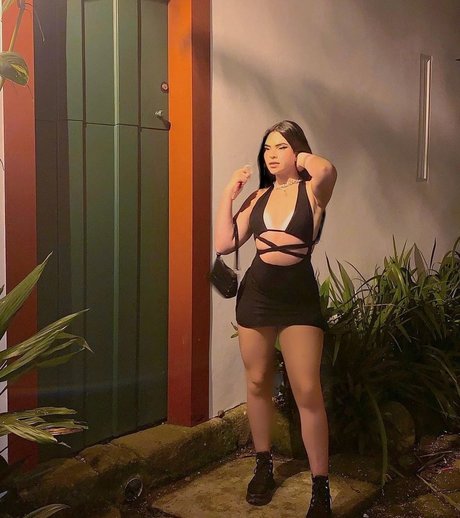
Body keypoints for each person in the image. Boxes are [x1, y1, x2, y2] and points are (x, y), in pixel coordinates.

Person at [214, 120, 337, 517]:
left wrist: (299, 159)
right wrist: (228, 195)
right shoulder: (258, 197)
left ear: (298, 150)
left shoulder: (313, 191)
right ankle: (263, 464)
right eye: (267, 147)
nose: (271, 154)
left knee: (307, 389)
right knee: (256, 382)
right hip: (257, 298)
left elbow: (326, 169)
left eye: (281, 146)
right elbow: (224, 243)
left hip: (298, 301)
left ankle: (321, 487)